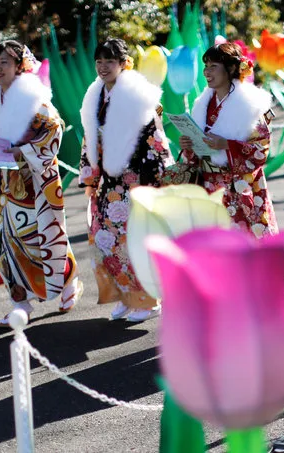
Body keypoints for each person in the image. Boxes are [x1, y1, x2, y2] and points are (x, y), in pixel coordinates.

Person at [0, 40, 82, 326]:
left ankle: (69, 281)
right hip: (6, 184)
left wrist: (21, 151)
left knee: (42, 240)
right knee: (6, 244)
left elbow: (54, 133)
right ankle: (20, 302)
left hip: (35, 182)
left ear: (19, 66)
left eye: (5, 63)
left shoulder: (34, 98)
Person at [79, 38, 172, 322]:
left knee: (136, 240)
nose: (103, 67)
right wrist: (90, 175)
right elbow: (89, 140)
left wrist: (144, 179)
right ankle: (122, 295)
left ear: (123, 63)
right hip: (108, 183)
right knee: (104, 239)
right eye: (99, 61)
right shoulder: (95, 96)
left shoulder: (137, 97)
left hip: (135, 180)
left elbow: (154, 140)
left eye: (109, 61)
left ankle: (147, 300)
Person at [178, 42, 279, 239]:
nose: (207, 72)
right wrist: (189, 146)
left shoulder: (249, 105)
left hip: (238, 189)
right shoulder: (202, 103)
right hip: (209, 187)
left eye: (213, 66)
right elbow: (196, 153)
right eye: (206, 66)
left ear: (232, 68)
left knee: (244, 246)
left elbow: (260, 149)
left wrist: (227, 145)